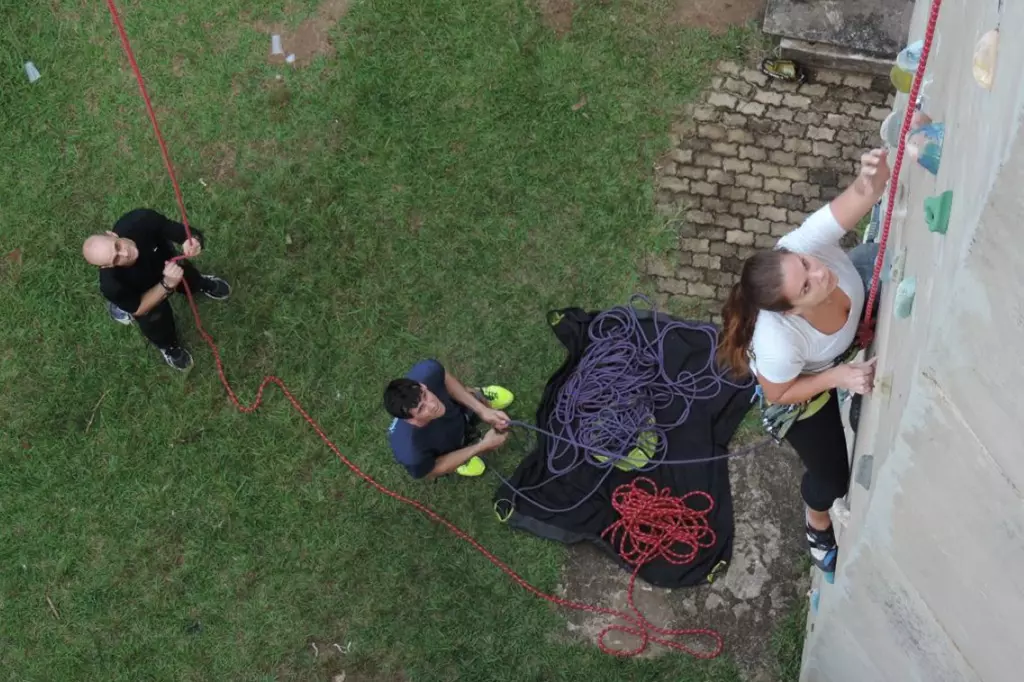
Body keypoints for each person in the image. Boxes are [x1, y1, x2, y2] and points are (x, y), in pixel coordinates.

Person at [716, 148, 890, 574]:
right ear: (792, 310)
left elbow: (860, 195)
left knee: (869, 262)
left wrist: (874, 175)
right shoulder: (780, 344)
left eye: (807, 264)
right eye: (808, 284)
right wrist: (838, 376)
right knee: (833, 478)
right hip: (802, 387)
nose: (820, 274)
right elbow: (779, 392)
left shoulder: (803, 245)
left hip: (844, 330)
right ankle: (816, 521)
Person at [82, 208, 231, 370]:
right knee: (156, 321)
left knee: (187, 275)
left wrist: (193, 240)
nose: (125, 253)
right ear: (107, 265)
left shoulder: (140, 220)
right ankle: (169, 346)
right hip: (143, 293)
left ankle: (200, 284)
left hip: (165, 261)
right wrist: (167, 284)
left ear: (112, 235)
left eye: (118, 246)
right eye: (116, 259)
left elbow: (177, 231)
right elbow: (139, 308)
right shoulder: (111, 284)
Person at [384, 359, 515, 480]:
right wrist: (481, 446)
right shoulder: (411, 452)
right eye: (421, 409)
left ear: (423, 386)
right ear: (411, 420)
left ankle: (479, 396)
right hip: (442, 446)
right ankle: (461, 458)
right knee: (451, 446)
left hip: (454, 409)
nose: (433, 405)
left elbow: (444, 378)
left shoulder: (428, 371)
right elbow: (434, 469)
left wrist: (482, 410)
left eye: (425, 395)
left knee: (469, 398)